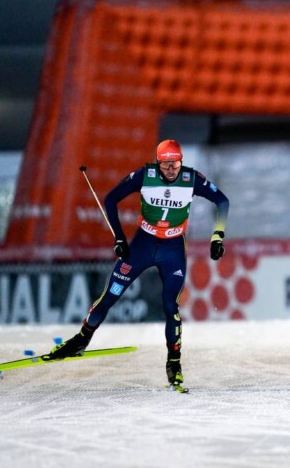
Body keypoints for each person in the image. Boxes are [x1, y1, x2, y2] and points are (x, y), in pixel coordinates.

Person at [47, 139, 230, 388]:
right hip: (142, 246)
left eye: (175, 164)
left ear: (181, 162)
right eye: (166, 165)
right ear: (158, 162)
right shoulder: (145, 175)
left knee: (170, 305)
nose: (171, 170)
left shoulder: (191, 179)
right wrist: (119, 238)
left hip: (172, 249)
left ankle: (174, 363)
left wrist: (217, 235)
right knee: (111, 294)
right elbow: (111, 199)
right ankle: (81, 339)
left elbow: (222, 201)